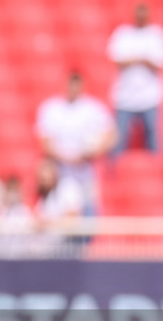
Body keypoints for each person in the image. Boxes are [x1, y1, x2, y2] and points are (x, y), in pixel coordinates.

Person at [36, 71, 115, 215]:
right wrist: (67, 157)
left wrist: (93, 152)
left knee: (88, 211)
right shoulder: (52, 108)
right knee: (63, 211)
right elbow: (45, 141)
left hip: (85, 171)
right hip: (60, 172)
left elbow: (111, 135)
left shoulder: (92, 108)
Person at [106, 2, 163, 156]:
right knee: (118, 138)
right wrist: (143, 59)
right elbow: (117, 58)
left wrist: (136, 59)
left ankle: (158, 172)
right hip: (125, 96)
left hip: (150, 96)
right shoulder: (123, 33)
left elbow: (160, 62)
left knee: (152, 136)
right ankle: (113, 172)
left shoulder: (157, 34)